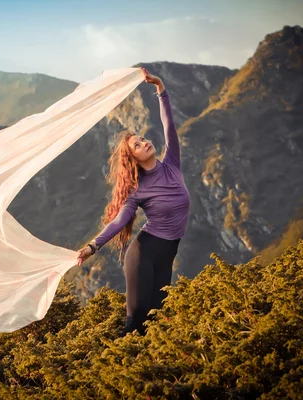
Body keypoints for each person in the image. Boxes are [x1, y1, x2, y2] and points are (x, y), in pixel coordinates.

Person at [76, 67, 191, 338]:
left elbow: (169, 126)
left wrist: (161, 87)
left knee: (156, 320)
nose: (144, 143)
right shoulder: (137, 191)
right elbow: (119, 221)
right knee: (135, 321)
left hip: (167, 256)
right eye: (137, 146)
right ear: (134, 159)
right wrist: (92, 247)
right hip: (144, 255)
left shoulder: (172, 162)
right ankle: (110, 367)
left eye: (142, 139)